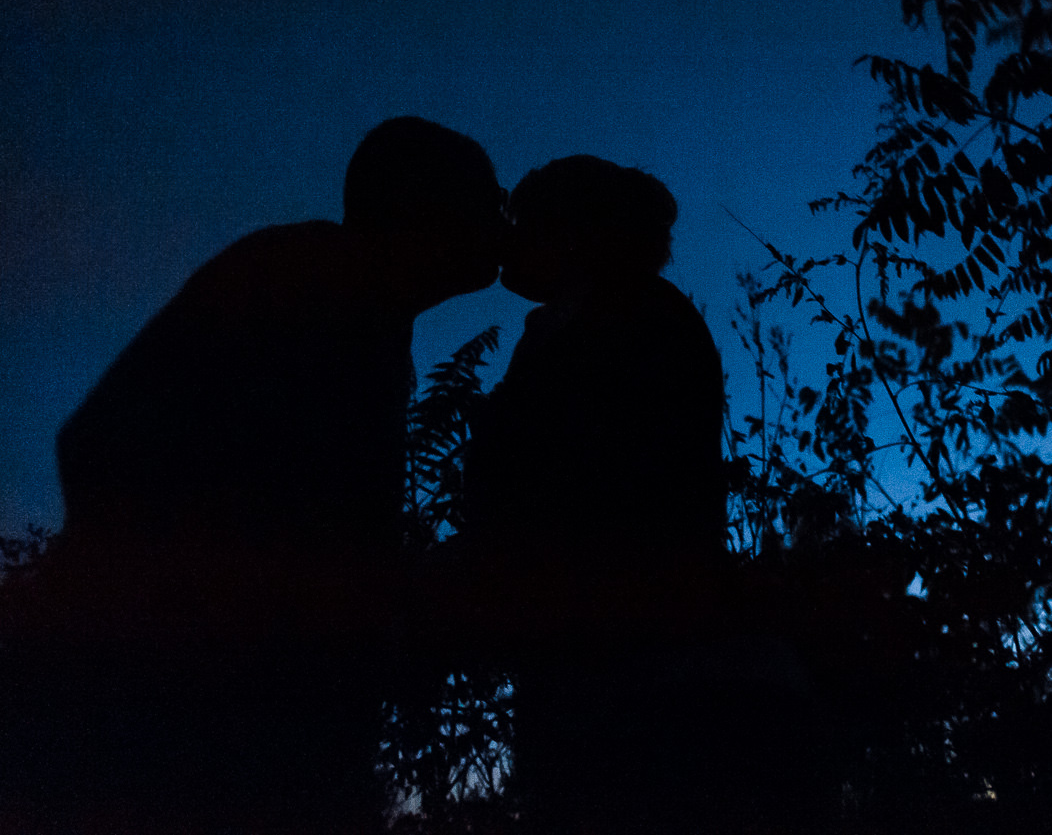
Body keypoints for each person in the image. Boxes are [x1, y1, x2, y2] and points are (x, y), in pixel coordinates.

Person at [11, 117, 505, 834]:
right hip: (164, 721)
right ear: (427, 206)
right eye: (489, 197)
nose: (502, 216)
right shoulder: (310, 283)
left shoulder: (351, 300)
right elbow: (105, 439)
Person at [468, 156, 775, 832]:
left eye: (525, 222)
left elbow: (568, 484)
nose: (507, 236)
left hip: (620, 665)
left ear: (574, 234)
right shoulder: (620, 321)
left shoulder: (622, 326)